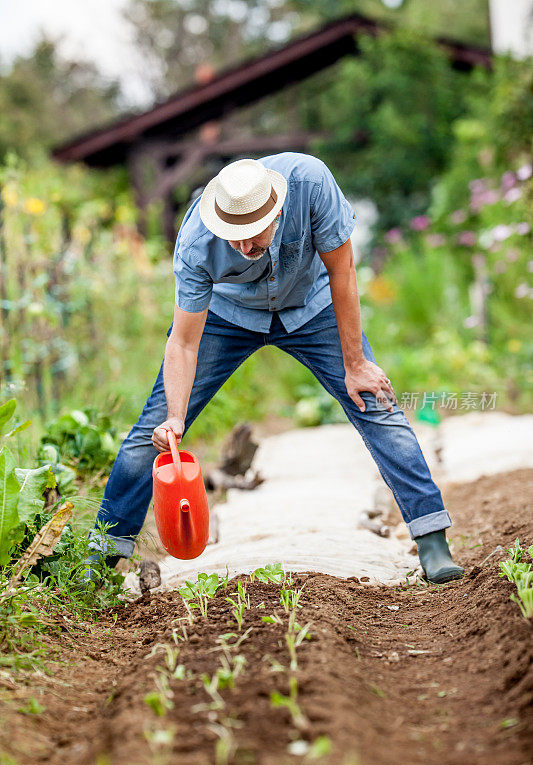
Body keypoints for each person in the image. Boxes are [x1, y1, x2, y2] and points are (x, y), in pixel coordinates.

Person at [85, 152, 464, 584]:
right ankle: (98, 558)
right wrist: (175, 415)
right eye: (234, 238)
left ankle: (432, 539)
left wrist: (355, 363)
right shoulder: (194, 242)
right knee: (153, 428)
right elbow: (185, 341)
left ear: (277, 210)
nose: (244, 248)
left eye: (253, 235)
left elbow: (342, 271)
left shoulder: (312, 183)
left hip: (311, 306)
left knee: (375, 403)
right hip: (230, 317)